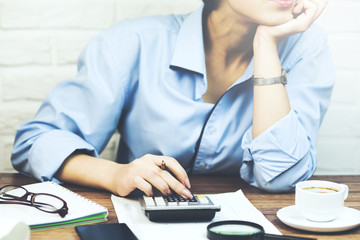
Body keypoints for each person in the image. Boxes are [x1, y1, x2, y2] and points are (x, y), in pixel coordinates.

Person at [11, 0, 334, 198]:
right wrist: (114, 174)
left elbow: (282, 177)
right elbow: (35, 143)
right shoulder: (132, 41)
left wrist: (267, 45)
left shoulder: (302, 45)